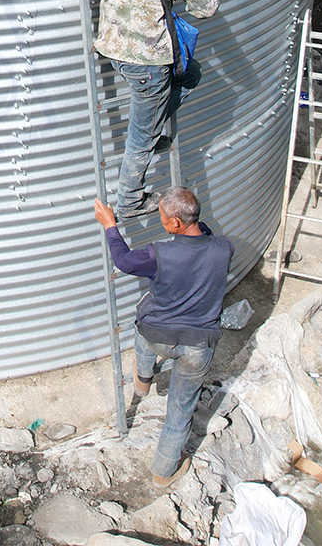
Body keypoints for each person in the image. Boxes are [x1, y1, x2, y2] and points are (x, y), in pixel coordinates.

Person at [93, 187, 234, 489]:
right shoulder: (225, 248)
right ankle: (164, 471)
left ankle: (143, 379)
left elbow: (124, 261)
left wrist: (110, 226)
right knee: (180, 408)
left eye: (163, 218)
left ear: (176, 225)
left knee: (142, 318)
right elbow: (203, 234)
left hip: (157, 336)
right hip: (198, 345)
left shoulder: (161, 253)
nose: (161, 222)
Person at [93, 0, 218, 214]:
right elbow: (207, 7)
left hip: (111, 48)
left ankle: (150, 129)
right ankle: (131, 198)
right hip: (147, 61)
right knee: (141, 134)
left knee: (190, 72)